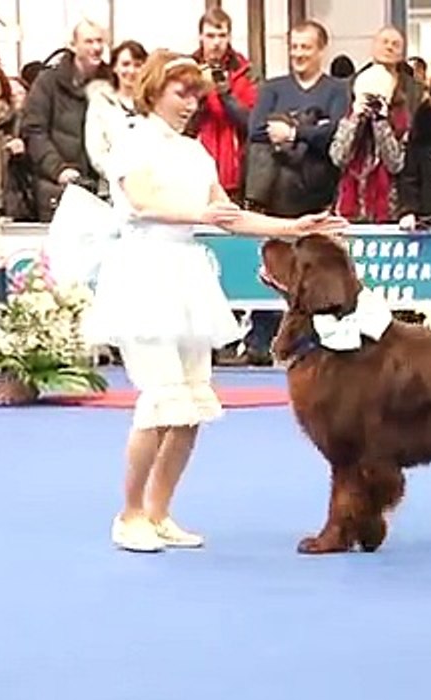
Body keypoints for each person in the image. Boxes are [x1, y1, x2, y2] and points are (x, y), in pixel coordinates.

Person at [89, 50, 347, 553]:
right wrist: (202, 213)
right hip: (143, 274)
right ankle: (130, 514)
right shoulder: (131, 141)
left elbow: (228, 216)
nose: (189, 103)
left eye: (195, 94)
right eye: (180, 92)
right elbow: (143, 204)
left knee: (190, 405)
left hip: (186, 274)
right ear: (154, 90)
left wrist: (292, 226)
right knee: (159, 400)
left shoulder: (196, 153)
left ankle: (160, 513)